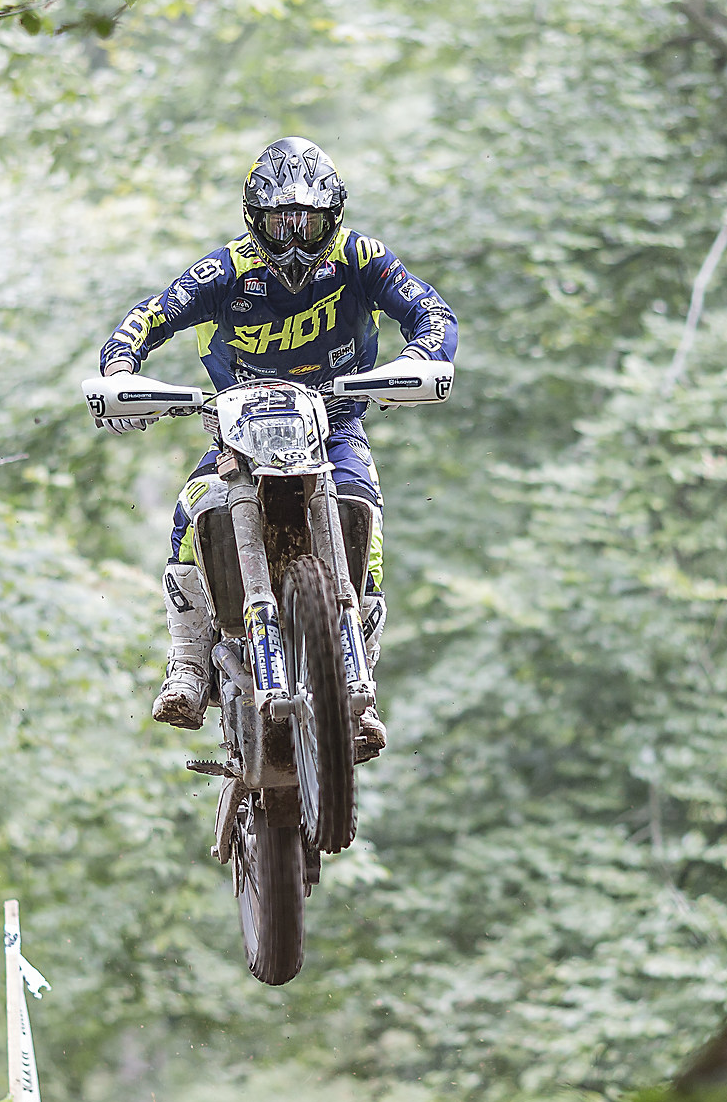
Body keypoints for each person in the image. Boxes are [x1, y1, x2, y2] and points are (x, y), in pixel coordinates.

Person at [97, 136, 458, 761]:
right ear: (254, 218)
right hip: (240, 431)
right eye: (279, 221)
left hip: (336, 419)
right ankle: (186, 664)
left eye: (309, 221)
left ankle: (357, 683)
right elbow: (147, 317)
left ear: (333, 217)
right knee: (191, 511)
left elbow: (433, 311)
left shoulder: (363, 260)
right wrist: (123, 369)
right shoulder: (225, 271)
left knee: (363, 516)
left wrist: (421, 357)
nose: (294, 238)